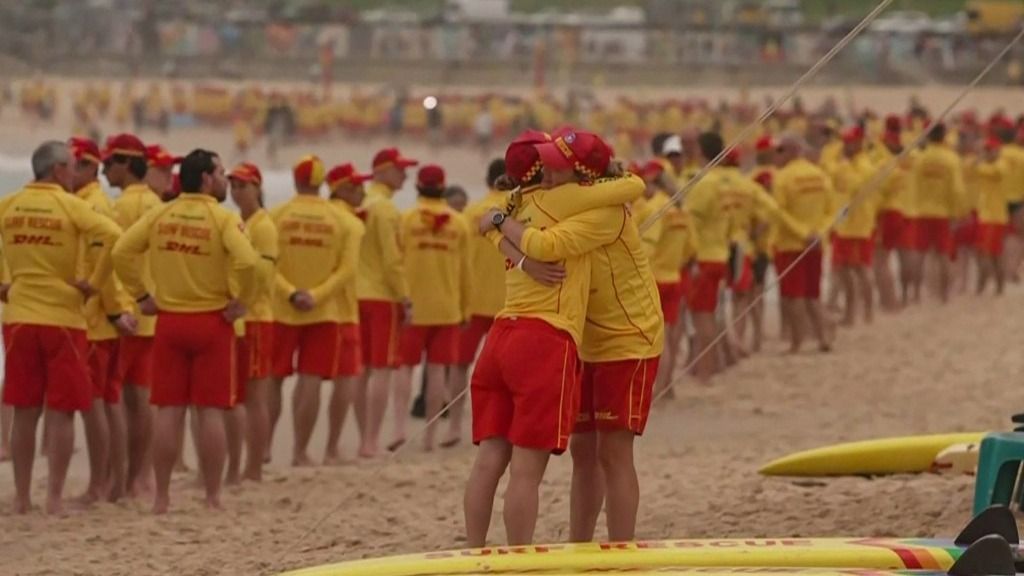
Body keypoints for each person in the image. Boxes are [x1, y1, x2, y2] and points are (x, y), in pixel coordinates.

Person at [465, 129, 644, 547]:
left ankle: (473, 551)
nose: (549, 173)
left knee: (489, 460)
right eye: (545, 166)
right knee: (527, 470)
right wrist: (530, 258)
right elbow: (632, 184)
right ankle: (519, 558)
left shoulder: (512, 204)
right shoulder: (568, 201)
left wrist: (515, 254)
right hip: (544, 338)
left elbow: (485, 223)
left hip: (501, 333)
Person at [112, 148, 257, 513]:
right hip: (212, 321)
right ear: (207, 179)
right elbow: (249, 262)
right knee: (210, 411)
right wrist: (244, 301)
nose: (225, 179)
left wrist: (142, 295)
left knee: (169, 411)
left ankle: (161, 497)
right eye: (222, 173)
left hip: (170, 320)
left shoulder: (162, 213)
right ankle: (212, 496)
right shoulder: (223, 219)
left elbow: (121, 252)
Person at [1, 140, 122, 514]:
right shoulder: (70, 206)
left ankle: (22, 497)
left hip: (19, 317)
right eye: (71, 167)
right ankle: (53, 498)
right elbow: (115, 237)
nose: (75, 173)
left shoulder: (9, 205)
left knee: (23, 410)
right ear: (57, 170)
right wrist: (95, 284)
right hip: (64, 320)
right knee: (62, 411)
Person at [269, 155, 363, 467]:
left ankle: (266, 447)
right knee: (309, 380)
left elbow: (266, 264)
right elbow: (347, 270)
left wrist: (290, 292)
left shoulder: (277, 215)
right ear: (322, 184)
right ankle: (299, 450)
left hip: (282, 309)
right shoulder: (345, 221)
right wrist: (317, 295)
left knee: (274, 379)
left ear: (296, 181)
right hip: (325, 312)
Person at [69, 137, 135, 504]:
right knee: (107, 402)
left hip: (97, 322)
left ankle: (103, 483)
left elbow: (107, 266)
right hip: (100, 319)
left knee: (99, 403)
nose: (67, 170)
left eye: (73, 163)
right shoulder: (85, 203)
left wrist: (114, 309)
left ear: (90, 167)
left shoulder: (94, 206)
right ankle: (114, 483)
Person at [398, 165, 470, 451]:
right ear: (443, 188)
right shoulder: (458, 223)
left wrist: (400, 299)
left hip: (412, 305)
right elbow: (466, 272)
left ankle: (399, 428)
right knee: (439, 371)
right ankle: (428, 437)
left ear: (417, 187)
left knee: (404, 368)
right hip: (447, 306)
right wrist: (465, 309)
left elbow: (397, 262)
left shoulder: (406, 219)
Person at [105, 132, 161, 498]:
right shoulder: (158, 203)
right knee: (143, 400)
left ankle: (118, 481)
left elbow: (112, 260)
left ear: (127, 164)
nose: (104, 170)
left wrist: (120, 306)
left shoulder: (120, 207)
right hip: (153, 311)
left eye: (110, 163)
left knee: (117, 402)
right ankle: (139, 477)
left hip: (126, 312)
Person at [359, 148, 416, 456]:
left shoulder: (361, 203)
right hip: (381, 295)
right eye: (399, 169)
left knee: (361, 371)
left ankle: (360, 439)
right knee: (381, 369)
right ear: (381, 171)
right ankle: (369, 441)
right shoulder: (387, 210)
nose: (405, 175)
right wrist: (404, 295)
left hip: (357, 293)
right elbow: (392, 259)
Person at [227, 162, 278, 482]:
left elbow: (264, 273)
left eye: (243, 186)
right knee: (239, 396)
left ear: (258, 188)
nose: (236, 192)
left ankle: (254, 466)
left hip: (257, 317)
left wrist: (244, 302)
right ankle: (241, 465)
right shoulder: (239, 222)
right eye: (233, 186)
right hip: (241, 317)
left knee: (255, 396)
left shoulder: (263, 226)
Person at [451, 159, 507, 446]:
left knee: (459, 366)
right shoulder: (518, 211)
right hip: (508, 303)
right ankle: (495, 426)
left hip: (472, 301)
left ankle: (453, 428)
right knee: (504, 372)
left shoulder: (470, 213)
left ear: (487, 180)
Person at [632, 160, 693, 399]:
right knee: (668, 336)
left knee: (654, 340)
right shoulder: (680, 209)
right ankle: (667, 387)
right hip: (674, 276)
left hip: (654, 278)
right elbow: (690, 248)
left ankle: (658, 389)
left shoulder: (654, 208)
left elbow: (647, 245)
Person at [324, 163, 371, 464]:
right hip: (341, 308)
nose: (362, 192)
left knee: (299, 379)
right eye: (356, 187)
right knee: (346, 377)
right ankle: (331, 448)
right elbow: (347, 270)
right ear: (340, 188)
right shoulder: (351, 223)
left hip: (299, 304)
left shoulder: (322, 215)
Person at [682, 132, 737, 383]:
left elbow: (689, 220)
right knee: (709, 314)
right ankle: (710, 365)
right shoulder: (724, 183)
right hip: (720, 253)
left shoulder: (704, 183)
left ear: (701, 151)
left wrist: (688, 256)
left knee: (701, 316)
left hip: (703, 256)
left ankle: (706, 370)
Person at [773, 134, 834, 353]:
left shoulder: (783, 178)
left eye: (779, 151)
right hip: (816, 243)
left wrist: (802, 233)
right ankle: (823, 338)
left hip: (791, 244)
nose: (776, 156)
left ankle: (797, 342)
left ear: (791, 150)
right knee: (813, 294)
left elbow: (778, 212)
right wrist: (819, 232)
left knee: (793, 296)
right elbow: (831, 211)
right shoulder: (820, 175)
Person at [911, 122, 967, 304]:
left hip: (921, 210)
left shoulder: (920, 158)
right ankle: (944, 296)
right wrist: (958, 212)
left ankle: (915, 294)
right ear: (944, 136)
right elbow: (957, 190)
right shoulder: (950, 158)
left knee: (920, 254)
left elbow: (914, 185)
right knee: (943, 254)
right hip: (943, 212)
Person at [828, 126, 878, 326]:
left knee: (860, 269)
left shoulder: (865, 166)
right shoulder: (846, 164)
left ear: (858, 143)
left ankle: (867, 311)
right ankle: (851, 312)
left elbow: (853, 185)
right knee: (842, 270)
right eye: (844, 142)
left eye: (849, 142)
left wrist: (841, 168)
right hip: (844, 224)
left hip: (859, 225)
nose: (845, 145)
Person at [874, 119, 918, 308]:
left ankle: (889, 301)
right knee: (907, 255)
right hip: (912, 208)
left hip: (891, 209)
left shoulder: (883, 159)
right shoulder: (913, 152)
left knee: (881, 259)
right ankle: (910, 295)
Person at [974, 138, 1010, 295]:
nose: (987, 153)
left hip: (995, 216)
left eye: (990, 150)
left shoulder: (1000, 166)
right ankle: (993, 286)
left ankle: (986, 286)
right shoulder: (987, 166)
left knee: (991, 254)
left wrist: (979, 161)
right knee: (989, 253)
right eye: (986, 150)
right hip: (985, 215)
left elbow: (994, 172)